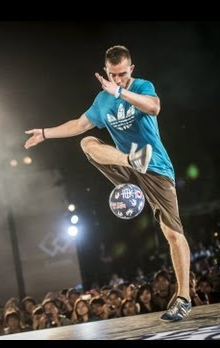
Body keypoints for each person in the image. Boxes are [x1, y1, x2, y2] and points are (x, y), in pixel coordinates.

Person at [24, 45, 191, 322]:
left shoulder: (141, 86)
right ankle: (130, 159)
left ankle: (183, 298)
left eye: (123, 74)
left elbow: (155, 107)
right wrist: (45, 133)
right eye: (113, 76)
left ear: (131, 70)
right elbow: (79, 125)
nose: (117, 80)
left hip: (155, 167)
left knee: (173, 234)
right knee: (87, 142)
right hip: (128, 164)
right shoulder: (102, 101)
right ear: (106, 72)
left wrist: (122, 92)